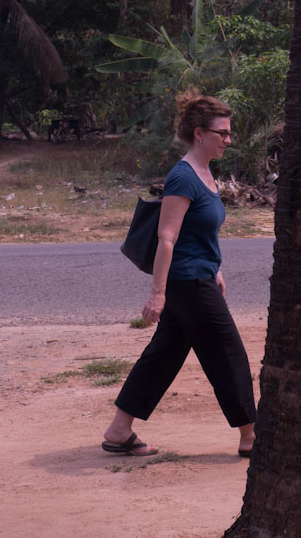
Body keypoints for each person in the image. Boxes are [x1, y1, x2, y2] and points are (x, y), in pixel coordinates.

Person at [101, 93, 256, 457]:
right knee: (228, 353)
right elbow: (167, 238)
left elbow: (197, 232)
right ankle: (251, 436)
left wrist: (215, 268)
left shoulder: (206, 173)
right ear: (199, 133)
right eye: (222, 133)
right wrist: (158, 293)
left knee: (165, 353)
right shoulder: (183, 177)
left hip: (199, 276)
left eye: (229, 132)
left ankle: (119, 430)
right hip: (187, 282)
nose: (228, 139)